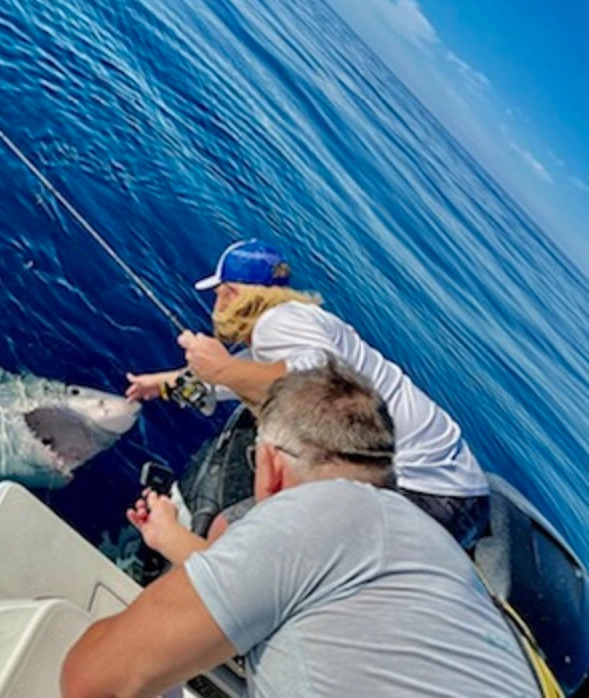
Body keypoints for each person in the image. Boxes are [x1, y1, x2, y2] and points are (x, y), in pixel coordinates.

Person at [62, 363, 539, 698]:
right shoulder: (435, 545)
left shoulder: (304, 518)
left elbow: (92, 681)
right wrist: (172, 542)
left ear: (268, 462)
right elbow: (293, 584)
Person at [126, 239, 489, 549]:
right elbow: (239, 379)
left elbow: (319, 385)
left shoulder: (277, 323)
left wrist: (221, 367)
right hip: (460, 490)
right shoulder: (298, 322)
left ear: (233, 294)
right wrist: (161, 384)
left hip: (424, 495)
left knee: (237, 535)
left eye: (218, 295)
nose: (215, 307)